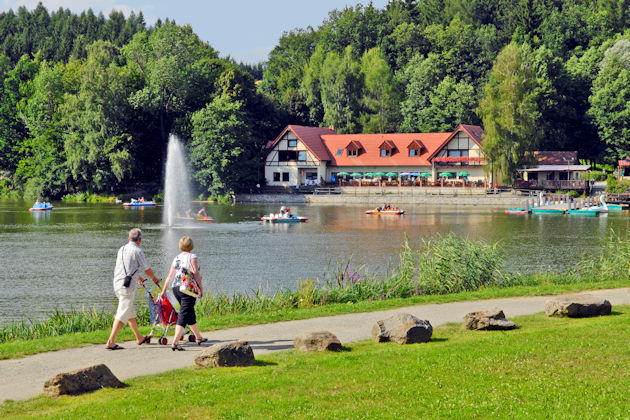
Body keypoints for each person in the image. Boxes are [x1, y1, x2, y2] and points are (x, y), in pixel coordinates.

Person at [106, 228, 161, 350]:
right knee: (122, 313)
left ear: (128, 238)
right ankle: (110, 341)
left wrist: (138, 277)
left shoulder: (122, 249)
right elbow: (147, 268)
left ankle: (139, 338)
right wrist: (155, 279)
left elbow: (125, 267)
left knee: (130, 312)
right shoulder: (138, 250)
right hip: (127, 287)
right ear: (140, 240)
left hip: (117, 283)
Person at [159, 236, 206, 350]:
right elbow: (195, 273)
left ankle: (198, 337)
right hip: (187, 289)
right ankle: (175, 342)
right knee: (184, 314)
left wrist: (164, 290)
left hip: (176, 288)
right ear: (191, 245)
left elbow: (170, 275)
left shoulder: (177, 258)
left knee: (189, 311)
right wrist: (201, 288)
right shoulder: (192, 256)